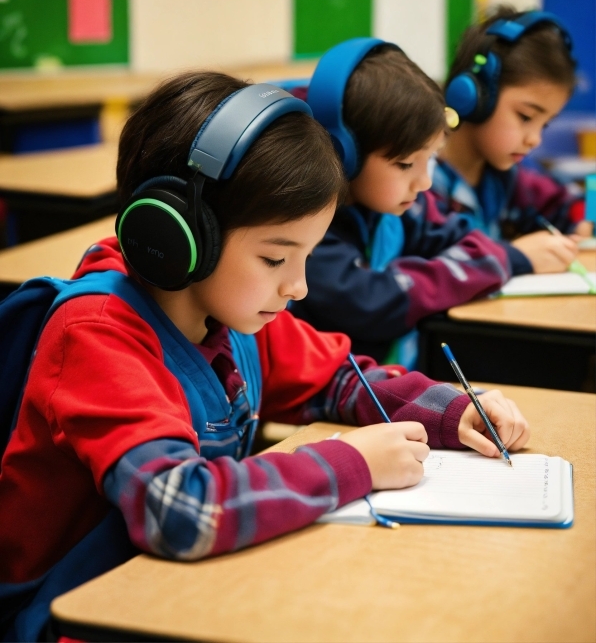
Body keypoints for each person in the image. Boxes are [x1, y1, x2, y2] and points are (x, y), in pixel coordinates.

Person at [0, 71, 530, 642]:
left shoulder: (234, 318)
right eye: (276, 259)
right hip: (69, 617)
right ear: (182, 237)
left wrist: (452, 411)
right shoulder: (97, 336)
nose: (298, 287)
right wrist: (352, 463)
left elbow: (342, 380)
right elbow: (179, 511)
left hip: (182, 593)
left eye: (306, 255)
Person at [289, 37, 530, 366]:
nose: (425, 182)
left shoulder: (400, 205)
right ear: (344, 153)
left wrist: (505, 257)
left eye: (430, 159)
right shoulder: (303, 226)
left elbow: (471, 241)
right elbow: (371, 303)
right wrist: (497, 262)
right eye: (405, 164)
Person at [432, 6, 591, 273]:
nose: (535, 140)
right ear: (474, 97)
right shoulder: (418, 182)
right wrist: (516, 256)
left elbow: (576, 199)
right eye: (526, 117)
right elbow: (437, 266)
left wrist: (586, 220)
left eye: (546, 124)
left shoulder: (505, 179)